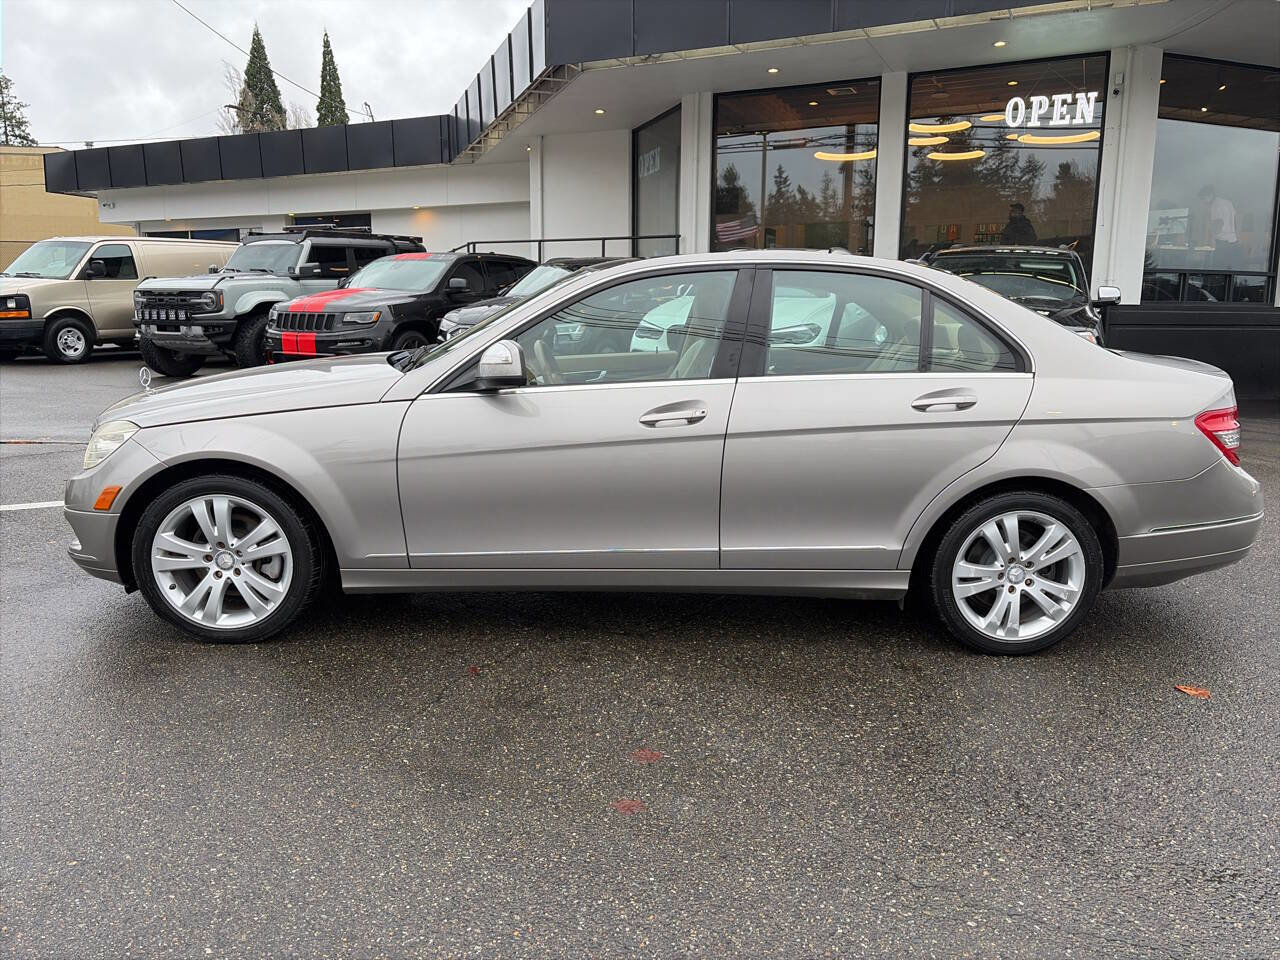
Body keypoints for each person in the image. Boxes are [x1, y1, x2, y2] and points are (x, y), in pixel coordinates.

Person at [1198, 184, 1240, 268]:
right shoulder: (1228, 203)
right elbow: (1235, 221)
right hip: (1233, 241)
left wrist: (1210, 237)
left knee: (1218, 268)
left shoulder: (1216, 206)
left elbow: (1218, 225)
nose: (1203, 201)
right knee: (1228, 269)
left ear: (1211, 195)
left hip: (1222, 243)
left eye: (1203, 198)